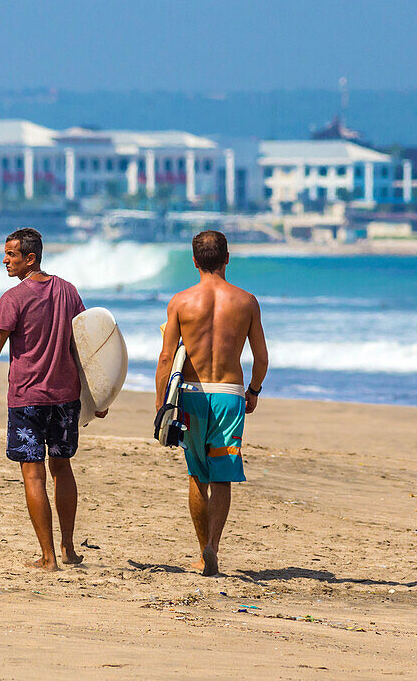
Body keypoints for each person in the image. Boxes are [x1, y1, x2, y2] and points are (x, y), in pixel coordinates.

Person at [0, 228, 107, 571]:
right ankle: (69, 549)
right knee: (62, 468)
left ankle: (48, 558)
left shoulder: (13, 298)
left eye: (11, 255)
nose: (5, 260)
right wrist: (99, 394)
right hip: (65, 397)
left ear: (31, 258)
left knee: (33, 476)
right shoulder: (68, 291)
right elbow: (85, 347)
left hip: (27, 398)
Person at [156, 230, 268, 576]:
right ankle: (213, 547)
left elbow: (165, 359)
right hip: (230, 395)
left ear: (194, 261)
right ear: (227, 258)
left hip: (190, 394)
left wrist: (162, 405)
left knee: (196, 474)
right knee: (222, 477)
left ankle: (202, 553)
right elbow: (261, 357)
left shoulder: (181, 301)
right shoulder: (246, 301)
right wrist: (254, 390)